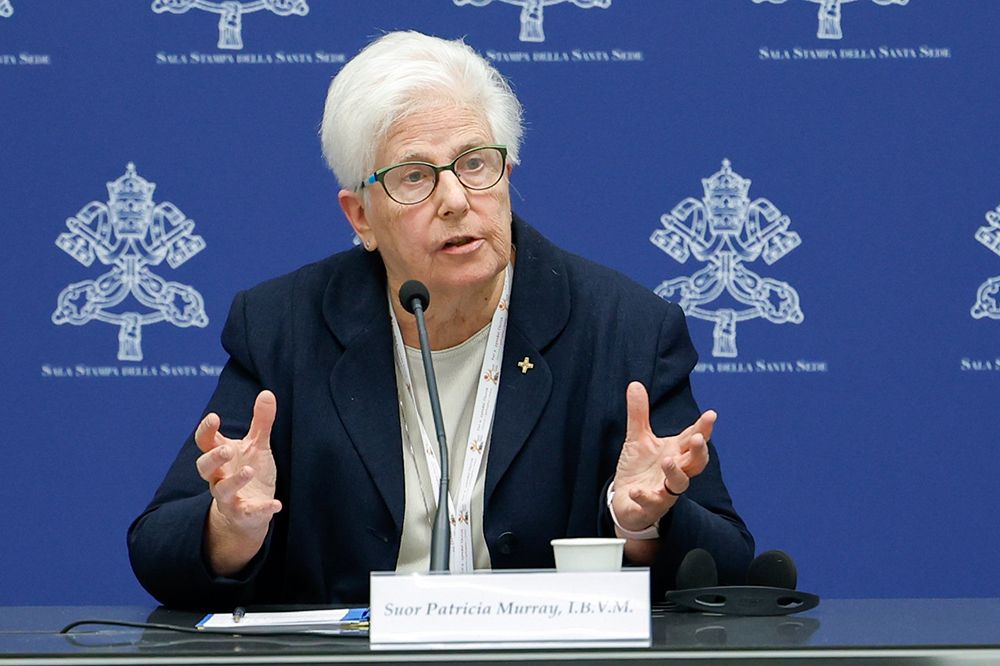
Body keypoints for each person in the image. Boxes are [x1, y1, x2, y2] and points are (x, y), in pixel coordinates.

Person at [128, 31, 753, 609]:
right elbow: (158, 550)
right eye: (414, 177)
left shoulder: (625, 329)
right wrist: (230, 527)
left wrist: (641, 524)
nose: (455, 200)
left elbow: (726, 562)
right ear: (361, 217)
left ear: (507, 171)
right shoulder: (282, 326)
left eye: (475, 163)